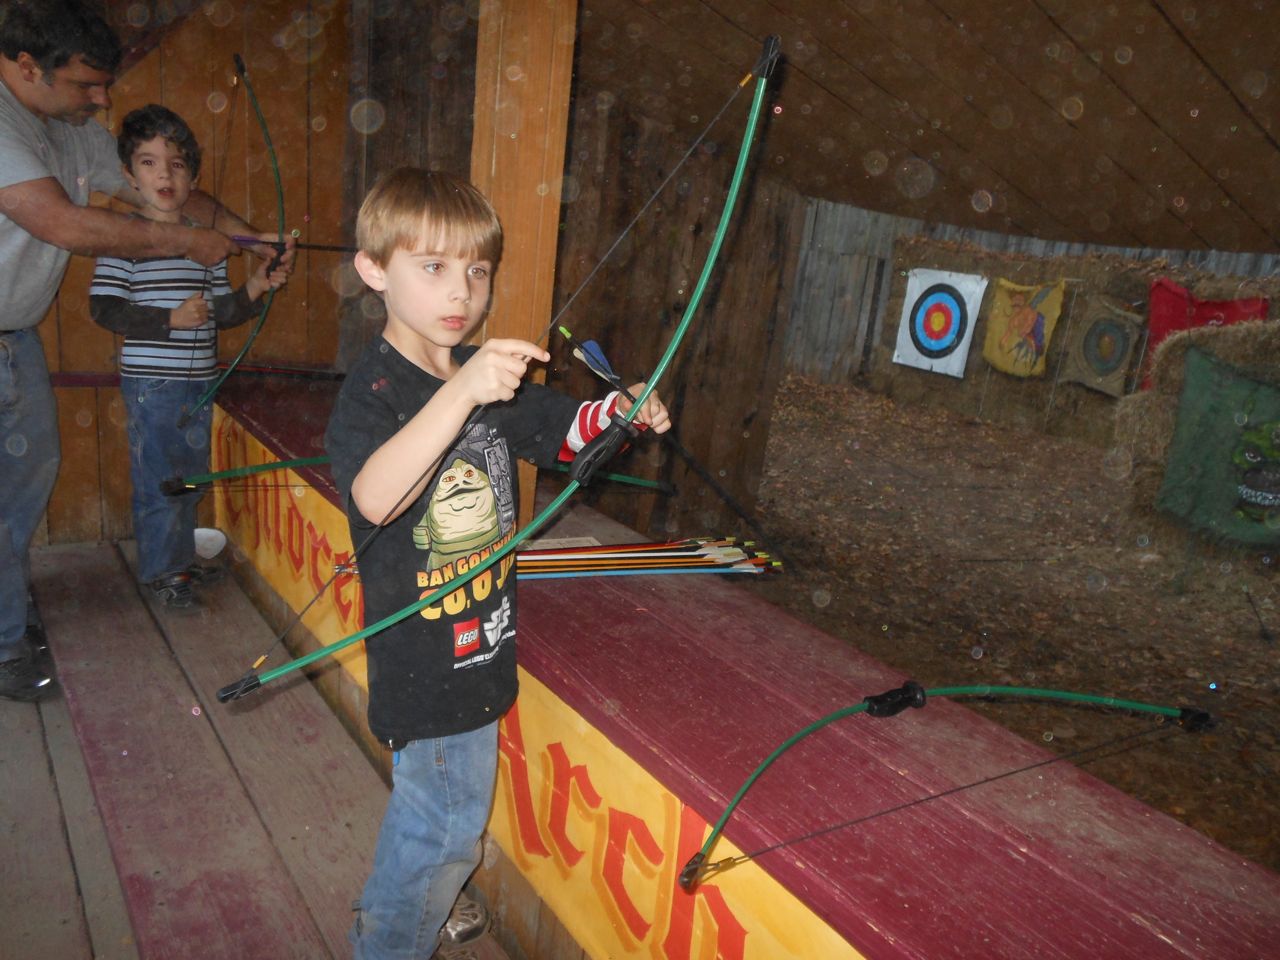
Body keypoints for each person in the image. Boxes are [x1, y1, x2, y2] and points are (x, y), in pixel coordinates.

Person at [324, 168, 670, 959]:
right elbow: (375, 498)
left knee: (435, 816)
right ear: (374, 270)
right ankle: (390, 939)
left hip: (481, 641)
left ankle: (413, 904)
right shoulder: (375, 390)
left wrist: (620, 410)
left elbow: (565, 431)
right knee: (443, 825)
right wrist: (462, 394)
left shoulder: (477, 373)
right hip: (426, 664)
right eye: (434, 266)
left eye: (478, 270)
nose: (462, 290)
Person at [0, 0, 286, 701]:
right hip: (101, 364)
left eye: (105, 84)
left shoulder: (67, 125)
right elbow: (65, 225)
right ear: (27, 67)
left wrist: (249, 241)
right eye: (87, 84)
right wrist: (187, 248)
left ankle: (6, 620)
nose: (102, 100)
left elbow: (173, 200)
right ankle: (4, 643)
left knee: (26, 481)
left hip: (15, 337)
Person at [89, 104, 290, 608]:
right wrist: (169, 320)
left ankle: (177, 561)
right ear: (129, 176)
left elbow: (221, 313)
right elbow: (104, 309)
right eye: (149, 163)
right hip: (152, 385)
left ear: (193, 179)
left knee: (188, 477)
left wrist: (256, 285)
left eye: (177, 165)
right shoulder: (124, 242)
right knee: (161, 479)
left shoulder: (207, 246)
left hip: (199, 383)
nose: (165, 175)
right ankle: (164, 571)